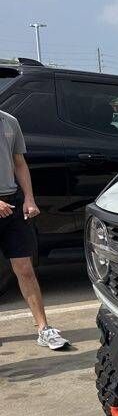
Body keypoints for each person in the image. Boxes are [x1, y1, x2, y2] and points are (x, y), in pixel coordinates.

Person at [0, 109, 69, 349]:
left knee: (25, 268)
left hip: (13, 204)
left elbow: (19, 162)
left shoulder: (9, 122)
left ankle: (43, 328)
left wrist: (29, 198)